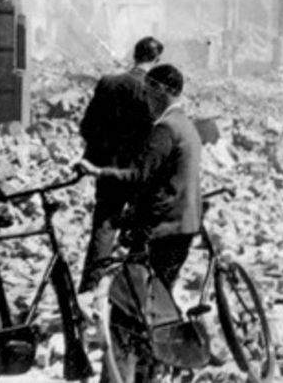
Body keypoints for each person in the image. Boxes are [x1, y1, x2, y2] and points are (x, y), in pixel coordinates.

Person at [78, 64, 202, 383]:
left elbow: (140, 177)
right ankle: (152, 370)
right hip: (184, 226)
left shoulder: (164, 130)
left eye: (148, 91)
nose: (145, 98)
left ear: (161, 91)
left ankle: (120, 376)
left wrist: (99, 172)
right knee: (156, 301)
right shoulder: (186, 124)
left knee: (126, 305)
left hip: (162, 229)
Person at [77, 36, 163, 293]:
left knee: (103, 229)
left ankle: (89, 293)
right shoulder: (153, 91)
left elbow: (87, 127)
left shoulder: (109, 83)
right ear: (157, 60)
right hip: (138, 175)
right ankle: (133, 297)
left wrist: (101, 155)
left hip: (108, 170)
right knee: (141, 236)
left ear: (134, 55)